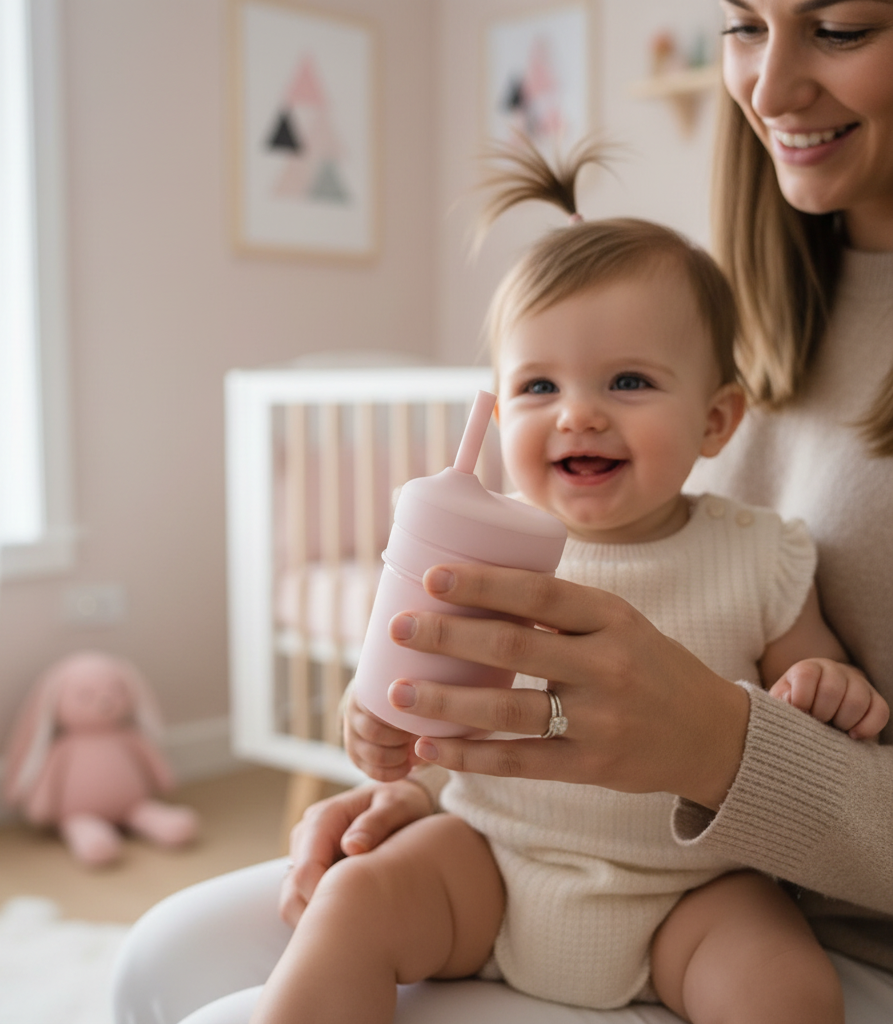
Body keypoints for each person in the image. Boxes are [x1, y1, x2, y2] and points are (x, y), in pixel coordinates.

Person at [310, 0, 892, 1003]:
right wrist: (383, 750)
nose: (577, 417)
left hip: (695, 889)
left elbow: (816, 693)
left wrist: (823, 693)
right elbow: (417, 706)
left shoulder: (761, 552)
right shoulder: (486, 554)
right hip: (496, 862)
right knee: (345, 909)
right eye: (538, 389)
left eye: (840, 24)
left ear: (719, 422)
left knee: (786, 988)